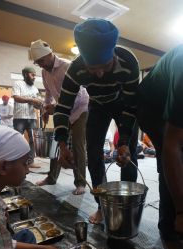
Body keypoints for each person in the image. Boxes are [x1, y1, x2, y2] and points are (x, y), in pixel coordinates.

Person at [53, 18, 139, 224]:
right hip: (97, 105)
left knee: (129, 155)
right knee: (93, 155)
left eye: (105, 66)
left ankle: (127, 206)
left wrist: (124, 141)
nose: (99, 73)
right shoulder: (75, 70)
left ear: (113, 55)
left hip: (122, 103)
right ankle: (102, 207)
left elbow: (132, 105)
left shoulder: (129, 62)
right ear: (83, 60)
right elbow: (63, 108)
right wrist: (63, 145)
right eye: (93, 68)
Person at [135, 44, 183, 249]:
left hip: (170, 102)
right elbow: (173, 145)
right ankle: (169, 230)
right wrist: (181, 211)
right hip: (151, 108)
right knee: (172, 158)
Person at [29, 39, 89, 195]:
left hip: (80, 109)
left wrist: (56, 107)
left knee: (77, 145)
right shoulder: (44, 72)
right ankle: (52, 177)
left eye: (41, 60)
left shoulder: (67, 66)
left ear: (49, 54)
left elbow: (79, 95)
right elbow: (48, 92)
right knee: (57, 143)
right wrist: (45, 107)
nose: (40, 65)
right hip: (62, 111)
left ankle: (80, 182)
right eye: (37, 63)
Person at [12, 66, 43, 168]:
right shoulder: (18, 83)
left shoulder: (35, 88)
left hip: (32, 117)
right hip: (19, 117)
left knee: (32, 139)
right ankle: (15, 162)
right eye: (32, 75)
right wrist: (31, 100)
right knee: (16, 139)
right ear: (26, 74)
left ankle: (30, 161)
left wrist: (38, 104)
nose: (34, 77)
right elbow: (16, 98)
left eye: (35, 75)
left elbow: (36, 104)